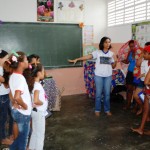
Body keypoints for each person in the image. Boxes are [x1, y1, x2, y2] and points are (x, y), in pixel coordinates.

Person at [68, 37, 118, 116]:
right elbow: (88, 56)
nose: (108, 44)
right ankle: (97, 110)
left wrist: (116, 60)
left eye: (109, 42)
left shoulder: (111, 54)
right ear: (102, 43)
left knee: (107, 94)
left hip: (108, 76)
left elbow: (113, 67)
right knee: (98, 94)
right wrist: (77, 59)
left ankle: (107, 110)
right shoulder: (97, 52)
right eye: (106, 42)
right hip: (98, 76)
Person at [8, 52, 32, 150]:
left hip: (15, 110)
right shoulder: (20, 78)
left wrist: (14, 102)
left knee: (22, 136)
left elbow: (11, 93)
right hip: (23, 112)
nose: (27, 62)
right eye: (26, 60)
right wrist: (25, 106)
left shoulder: (12, 75)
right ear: (21, 63)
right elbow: (17, 96)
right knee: (23, 140)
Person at [28, 64, 48, 150]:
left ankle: (32, 148)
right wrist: (42, 103)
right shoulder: (37, 85)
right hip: (39, 112)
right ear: (39, 73)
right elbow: (36, 100)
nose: (44, 73)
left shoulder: (34, 84)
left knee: (35, 132)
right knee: (40, 135)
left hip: (35, 112)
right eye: (43, 71)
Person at [131, 45, 150, 135]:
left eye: (145, 53)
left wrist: (146, 82)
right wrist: (142, 76)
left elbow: (147, 80)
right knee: (146, 109)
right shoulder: (147, 62)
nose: (143, 54)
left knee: (147, 108)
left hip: (147, 87)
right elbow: (145, 74)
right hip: (147, 88)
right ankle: (141, 129)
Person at [133, 42, 150, 115]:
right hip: (142, 81)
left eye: (146, 50)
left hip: (147, 83)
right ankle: (142, 107)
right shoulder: (144, 57)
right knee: (136, 96)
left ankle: (146, 113)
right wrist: (142, 56)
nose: (144, 50)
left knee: (147, 99)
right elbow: (137, 64)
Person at [0, 50, 13, 145]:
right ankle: (3, 138)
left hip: (6, 95)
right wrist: (5, 80)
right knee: (3, 118)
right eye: (6, 57)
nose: (7, 59)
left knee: (11, 115)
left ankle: (11, 133)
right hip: (2, 96)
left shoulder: (2, 67)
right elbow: (2, 81)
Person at [122, 40, 136, 110]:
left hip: (137, 73)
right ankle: (128, 105)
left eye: (133, 46)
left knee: (136, 90)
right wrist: (121, 59)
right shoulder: (130, 52)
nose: (132, 48)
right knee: (129, 89)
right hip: (130, 72)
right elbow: (127, 61)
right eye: (130, 46)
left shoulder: (141, 52)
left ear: (136, 45)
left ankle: (135, 107)